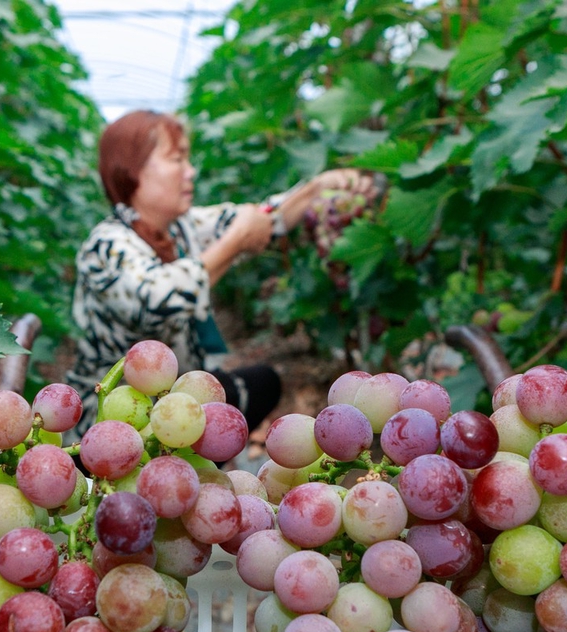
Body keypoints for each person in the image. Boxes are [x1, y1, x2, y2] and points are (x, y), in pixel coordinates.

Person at [69, 110, 376, 438]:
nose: (191, 171)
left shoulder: (183, 227)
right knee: (223, 411)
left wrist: (316, 188)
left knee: (261, 383)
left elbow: (262, 220)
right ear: (133, 171)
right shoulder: (107, 245)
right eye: (177, 159)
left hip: (174, 404)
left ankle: (193, 467)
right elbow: (157, 299)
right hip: (111, 420)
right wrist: (233, 242)